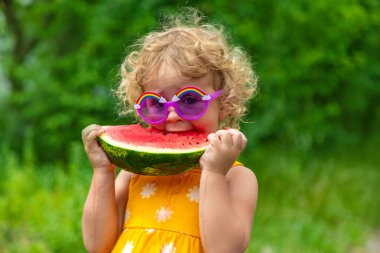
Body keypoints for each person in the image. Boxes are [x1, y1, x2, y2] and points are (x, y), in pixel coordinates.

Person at [82, 9, 258, 253]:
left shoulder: (236, 178)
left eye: (189, 100)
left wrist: (215, 173)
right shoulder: (134, 174)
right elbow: (96, 245)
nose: (173, 116)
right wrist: (102, 171)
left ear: (224, 103)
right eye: (156, 104)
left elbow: (224, 249)